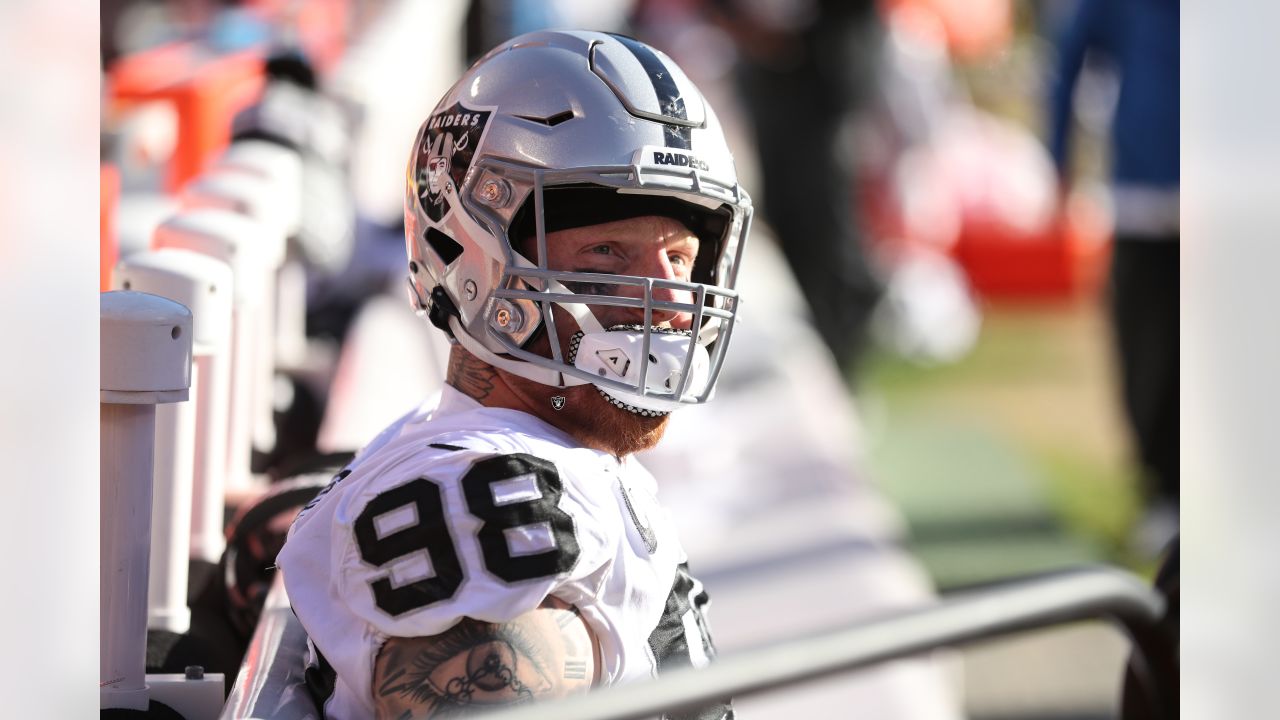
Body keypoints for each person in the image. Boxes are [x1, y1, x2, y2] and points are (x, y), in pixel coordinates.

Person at [277, 29, 752, 719]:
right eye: (608, 253)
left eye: (680, 256)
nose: (673, 299)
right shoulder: (479, 494)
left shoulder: (535, 452)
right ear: (467, 256)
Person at [1045, 0, 1179, 548]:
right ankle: (1162, 489)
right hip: (1142, 195)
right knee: (1148, 350)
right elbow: (1069, 58)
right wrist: (1059, 156)